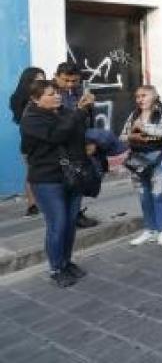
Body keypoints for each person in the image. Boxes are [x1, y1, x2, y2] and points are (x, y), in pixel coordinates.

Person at [20, 80, 93, 287]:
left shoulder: (63, 112)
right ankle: (55, 268)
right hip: (46, 179)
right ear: (36, 99)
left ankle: (66, 262)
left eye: (57, 93)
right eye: (51, 94)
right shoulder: (31, 119)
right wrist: (78, 113)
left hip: (71, 176)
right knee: (58, 224)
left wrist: (85, 109)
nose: (57, 96)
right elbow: (57, 135)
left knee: (70, 223)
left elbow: (77, 131)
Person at [121, 86, 162, 248]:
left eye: (144, 95)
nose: (140, 99)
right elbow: (123, 135)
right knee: (143, 195)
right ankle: (150, 229)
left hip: (160, 157)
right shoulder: (134, 114)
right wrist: (133, 134)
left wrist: (143, 128)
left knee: (158, 194)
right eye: (137, 96)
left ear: (155, 96)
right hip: (138, 159)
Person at [54, 62, 99, 229]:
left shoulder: (81, 92)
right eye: (66, 80)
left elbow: (91, 118)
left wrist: (92, 140)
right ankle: (63, 217)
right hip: (61, 145)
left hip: (80, 144)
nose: (70, 84)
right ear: (56, 76)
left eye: (74, 81)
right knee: (63, 182)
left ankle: (76, 214)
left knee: (79, 180)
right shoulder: (50, 94)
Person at [10, 67, 46, 217]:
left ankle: (34, 205)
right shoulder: (29, 99)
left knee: (33, 171)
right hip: (34, 139)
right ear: (29, 81)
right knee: (34, 171)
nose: (42, 82)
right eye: (39, 79)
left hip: (31, 139)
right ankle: (33, 204)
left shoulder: (20, 98)